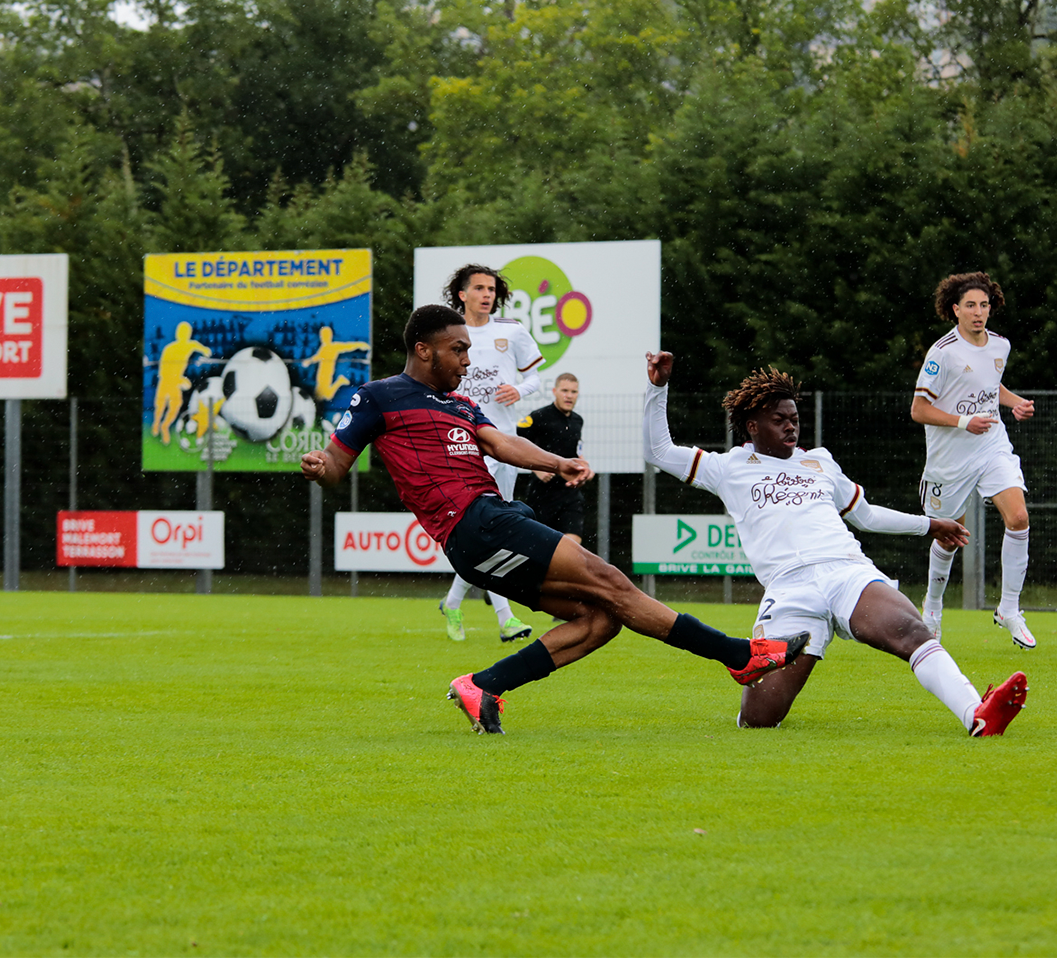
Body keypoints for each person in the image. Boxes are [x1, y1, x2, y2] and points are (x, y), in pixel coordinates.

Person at [301, 304, 806, 736]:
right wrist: (321, 467)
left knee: (602, 617)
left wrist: (555, 461)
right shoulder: (379, 396)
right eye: (458, 349)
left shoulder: (459, 402)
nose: (467, 358)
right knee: (611, 580)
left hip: (485, 529)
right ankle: (738, 655)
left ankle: (483, 686)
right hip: (476, 522)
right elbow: (337, 465)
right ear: (424, 349)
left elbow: (502, 443)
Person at [643, 352, 1029, 737]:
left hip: (846, 570)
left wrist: (928, 525)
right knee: (760, 718)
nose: (790, 427)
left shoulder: (820, 462)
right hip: (790, 587)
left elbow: (867, 516)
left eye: (794, 419)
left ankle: (977, 713)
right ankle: (767, 693)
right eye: (779, 420)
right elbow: (657, 451)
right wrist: (657, 387)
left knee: (910, 630)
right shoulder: (726, 467)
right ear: (752, 426)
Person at [911, 272, 1038, 649]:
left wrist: (1014, 403)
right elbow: (919, 409)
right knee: (950, 538)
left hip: (991, 445)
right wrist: (964, 422)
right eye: (970, 305)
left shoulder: (1001, 346)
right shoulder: (942, 353)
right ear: (955, 310)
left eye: (984, 305)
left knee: (1018, 517)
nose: (978, 312)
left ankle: (1009, 609)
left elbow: (987, 385)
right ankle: (932, 608)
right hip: (950, 459)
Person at [434, 264, 542, 644]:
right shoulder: (448, 334)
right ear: (461, 294)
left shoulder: (511, 332)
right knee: (486, 530)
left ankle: (453, 602)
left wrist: (519, 390)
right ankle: (506, 617)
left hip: (503, 443)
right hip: (461, 444)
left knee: (493, 530)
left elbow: (536, 377)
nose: (487, 294)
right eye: (479, 288)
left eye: (492, 288)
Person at [518, 372, 591, 546]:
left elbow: (576, 452)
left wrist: (585, 468)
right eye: (564, 390)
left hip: (570, 492)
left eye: (573, 392)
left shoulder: (577, 421)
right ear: (554, 391)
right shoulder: (538, 417)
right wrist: (537, 468)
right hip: (542, 494)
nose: (569, 396)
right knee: (540, 548)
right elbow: (516, 444)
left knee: (573, 547)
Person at [151, 321, 211, 445]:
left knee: (175, 405)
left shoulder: (189, 345)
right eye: (182, 333)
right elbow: (163, 368)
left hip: (176, 381)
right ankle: (156, 423)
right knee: (161, 405)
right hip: (166, 380)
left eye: (187, 333)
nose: (185, 336)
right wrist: (178, 380)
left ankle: (165, 426)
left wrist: (205, 351)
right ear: (178, 334)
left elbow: (201, 348)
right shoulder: (170, 348)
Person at [300, 325, 370, 403]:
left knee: (324, 396)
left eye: (325, 336)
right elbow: (317, 357)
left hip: (327, 373)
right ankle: (340, 381)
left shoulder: (334, 347)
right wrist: (309, 361)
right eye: (322, 336)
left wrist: (360, 345)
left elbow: (348, 346)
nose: (323, 338)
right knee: (321, 396)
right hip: (322, 373)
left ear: (330, 336)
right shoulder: (324, 347)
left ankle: (339, 381)